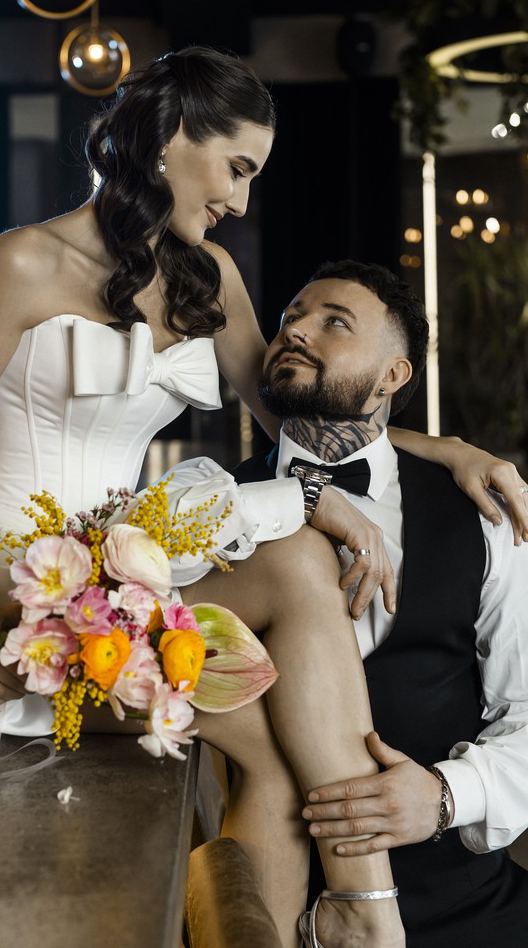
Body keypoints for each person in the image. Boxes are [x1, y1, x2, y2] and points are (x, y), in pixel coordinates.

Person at [0, 48, 526, 948]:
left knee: (287, 658)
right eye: (237, 169)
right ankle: (366, 911)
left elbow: (301, 411)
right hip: (14, 565)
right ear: (170, 138)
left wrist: (445, 448)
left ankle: (351, 912)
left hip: (140, 560)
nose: (242, 202)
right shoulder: (21, 261)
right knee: (279, 683)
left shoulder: (207, 275)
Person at [184, 258, 528, 947]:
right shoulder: (212, 510)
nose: (295, 330)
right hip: (268, 910)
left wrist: (446, 796)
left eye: (334, 323)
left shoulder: (481, 515)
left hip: (466, 913)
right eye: (291, 317)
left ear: (392, 375)